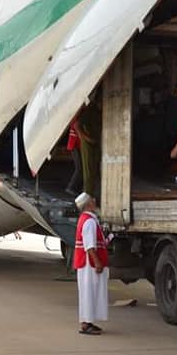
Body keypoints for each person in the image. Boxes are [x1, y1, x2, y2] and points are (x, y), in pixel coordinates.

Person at [73, 192, 109, 335]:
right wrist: (97, 262)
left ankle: (88, 322)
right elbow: (89, 246)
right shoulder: (89, 221)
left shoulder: (87, 219)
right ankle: (86, 324)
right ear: (88, 204)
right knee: (89, 293)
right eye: (92, 200)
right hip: (88, 264)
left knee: (89, 293)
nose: (95, 201)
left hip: (86, 263)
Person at [78, 100, 101, 198]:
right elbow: (77, 126)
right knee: (88, 172)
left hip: (96, 143)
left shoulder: (99, 112)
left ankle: (90, 195)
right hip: (88, 144)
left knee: (94, 171)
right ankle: (87, 196)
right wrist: (87, 138)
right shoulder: (89, 111)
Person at [65, 115, 83, 195]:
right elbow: (76, 127)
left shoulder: (77, 114)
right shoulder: (77, 116)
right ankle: (71, 187)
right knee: (79, 168)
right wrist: (84, 139)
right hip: (75, 145)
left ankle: (76, 188)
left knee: (80, 168)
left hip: (76, 145)